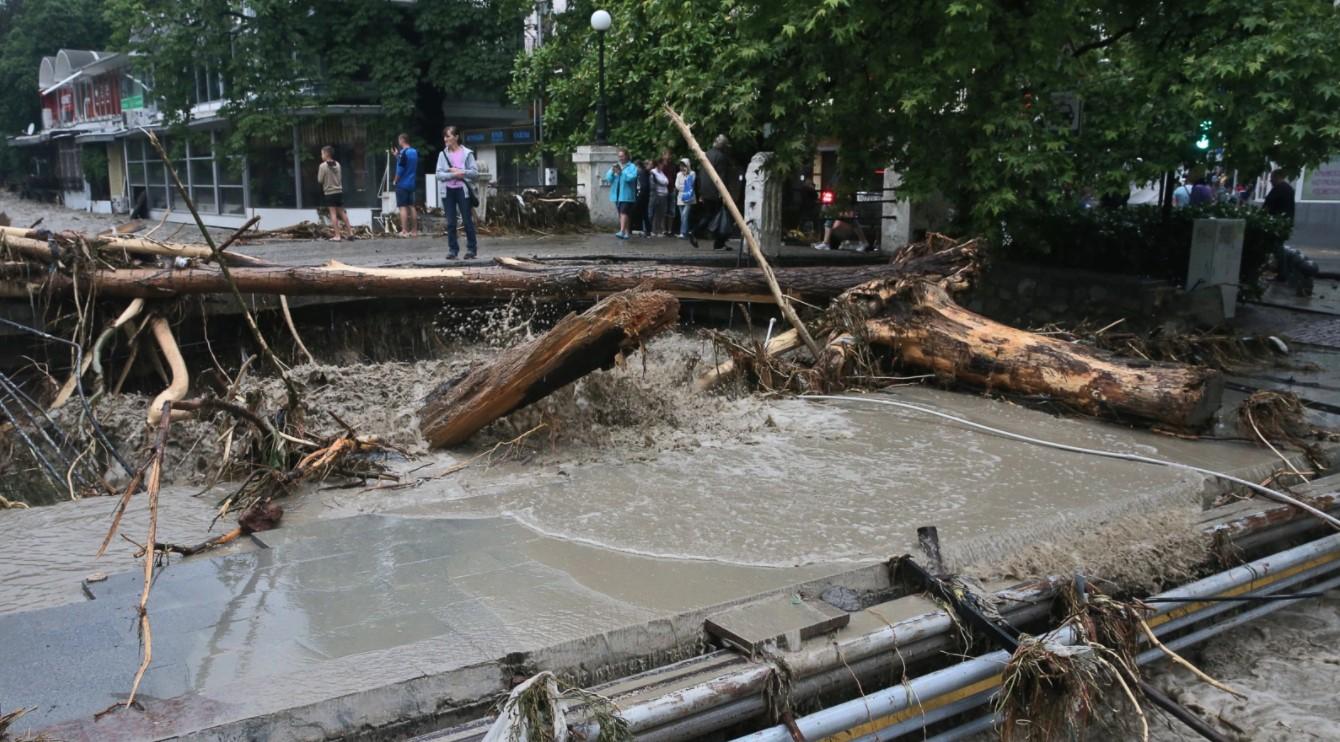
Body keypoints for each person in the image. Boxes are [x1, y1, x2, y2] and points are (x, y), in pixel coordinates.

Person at [435, 125, 479, 259]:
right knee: (451, 222)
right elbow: (438, 175)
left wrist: (461, 172)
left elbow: (474, 173)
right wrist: (453, 175)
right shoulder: (442, 154)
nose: (445, 139)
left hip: (462, 190)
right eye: (444, 136)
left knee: (467, 220)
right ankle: (453, 250)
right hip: (447, 191)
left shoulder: (467, 153)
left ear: (456, 137)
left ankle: (471, 249)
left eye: (448, 136)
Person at [693, 134, 734, 250]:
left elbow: (701, 174)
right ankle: (697, 233)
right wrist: (725, 194)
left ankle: (718, 242)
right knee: (719, 216)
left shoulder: (706, 154)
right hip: (715, 192)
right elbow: (721, 177)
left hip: (705, 190)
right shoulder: (721, 157)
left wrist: (701, 191)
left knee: (711, 215)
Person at [317, 146, 352, 241]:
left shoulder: (322, 166)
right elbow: (340, 177)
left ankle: (337, 235)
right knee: (342, 212)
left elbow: (320, 180)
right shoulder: (338, 164)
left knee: (333, 213)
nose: (321, 156)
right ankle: (350, 233)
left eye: (322, 153)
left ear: (326, 154)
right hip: (339, 191)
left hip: (329, 193)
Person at [603, 148, 638, 239]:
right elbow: (608, 178)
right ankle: (626, 232)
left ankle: (622, 231)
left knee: (623, 212)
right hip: (617, 194)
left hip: (627, 194)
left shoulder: (632, 167)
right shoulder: (616, 166)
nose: (620, 158)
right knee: (623, 213)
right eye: (619, 156)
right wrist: (613, 172)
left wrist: (621, 173)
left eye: (622, 156)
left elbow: (631, 178)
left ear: (626, 156)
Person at [392, 133, 419, 237]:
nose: (399, 142)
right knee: (412, 206)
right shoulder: (414, 152)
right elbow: (406, 163)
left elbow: (401, 169)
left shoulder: (403, 153)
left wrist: (395, 180)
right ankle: (414, 231)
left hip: (402, 184)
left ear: (402, 140)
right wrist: (396, 156)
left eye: (399, 140)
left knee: (403, 207)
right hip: (411, 183)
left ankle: (404, 231)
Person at [646, 159, 669, 238]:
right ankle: (652, 230)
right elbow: (661, 182)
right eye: (661, 164)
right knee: (654, 213)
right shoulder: (653, 172)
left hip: (664, 195)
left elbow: (666, 181)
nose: (663, 166)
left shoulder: (661, 173)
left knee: (661, 213)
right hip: (657, 195)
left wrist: (663, 182)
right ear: (658, 164)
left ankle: (659, 230)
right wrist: (662, 182)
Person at [658, 149, 677, 236]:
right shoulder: (660, 165)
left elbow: (675, 176)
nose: (668, 156)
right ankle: (663, 229)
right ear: (662, 155)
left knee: (671, 211)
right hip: (662, 190)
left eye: (669, 155)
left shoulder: (673, 165)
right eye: (666, 154)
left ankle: (670, 230)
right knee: (663, 210)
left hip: (671, 189)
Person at [675, 158, 695, 240]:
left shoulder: (692, 173)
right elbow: (677, 186)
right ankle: (685, 232)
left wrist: (686, 175)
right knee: (682, 216)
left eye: (684, 165)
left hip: (689, 197)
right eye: (681, 165)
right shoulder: (678, 174)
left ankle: (683, 233)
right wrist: (684, 187)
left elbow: (690, 184)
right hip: (680, 198)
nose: (682, 167)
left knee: (684, 215)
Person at [634, 160, 652, 236]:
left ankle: (643, 229)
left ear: (638, 166)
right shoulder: (645, 173)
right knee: (645, 214)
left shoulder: (641, 173)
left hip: (642, 196)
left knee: (642, 213)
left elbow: (643, 186)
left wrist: (639, 195)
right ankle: (646, 230)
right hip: (645, 196)